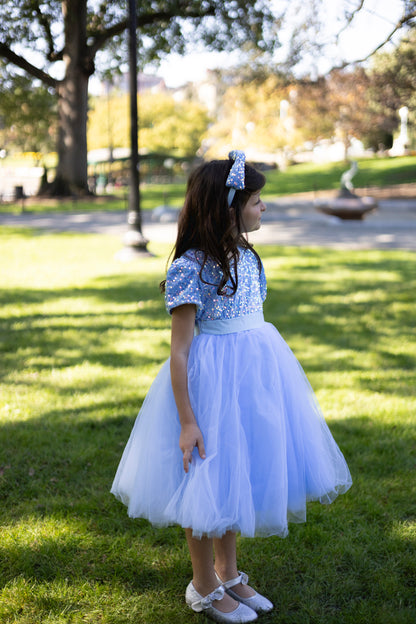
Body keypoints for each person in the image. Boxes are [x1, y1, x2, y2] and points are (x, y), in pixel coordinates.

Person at [111, 151, 352, 623]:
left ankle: (229, 572)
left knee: (235, 472)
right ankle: (201, 585)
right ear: (228, 207)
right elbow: (179, 351)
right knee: (204, 478)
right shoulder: (192, 267)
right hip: (210, 385)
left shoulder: (246, 255)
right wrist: (187, 421)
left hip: (253, 380)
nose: (264, 208)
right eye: (257, 200)